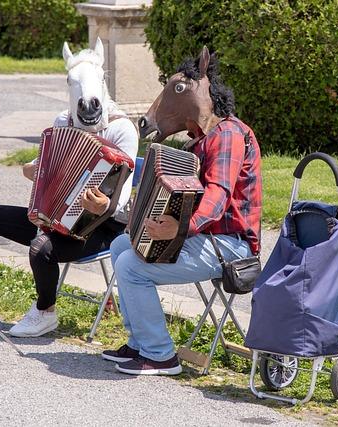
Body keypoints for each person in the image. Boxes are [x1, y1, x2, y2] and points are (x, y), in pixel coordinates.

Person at [0, 40, 138, 337]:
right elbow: (35, 166)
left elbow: (120, 202)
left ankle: (45, 312)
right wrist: (35, 171)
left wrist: (101, 205)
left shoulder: (121, 129)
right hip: (54, 220)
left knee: (40, 247)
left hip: (100, 228)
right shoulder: (63, 121)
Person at [102, 48, 262, 376]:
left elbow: (217, 197)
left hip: (230, 246)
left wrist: (178, 228)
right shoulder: (200, 140)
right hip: (206, 239)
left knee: (132, 266)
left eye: (178, 90)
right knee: (121, 246)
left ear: (201, 89)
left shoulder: (228, 134)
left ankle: (160, 355)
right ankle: (140, 343)